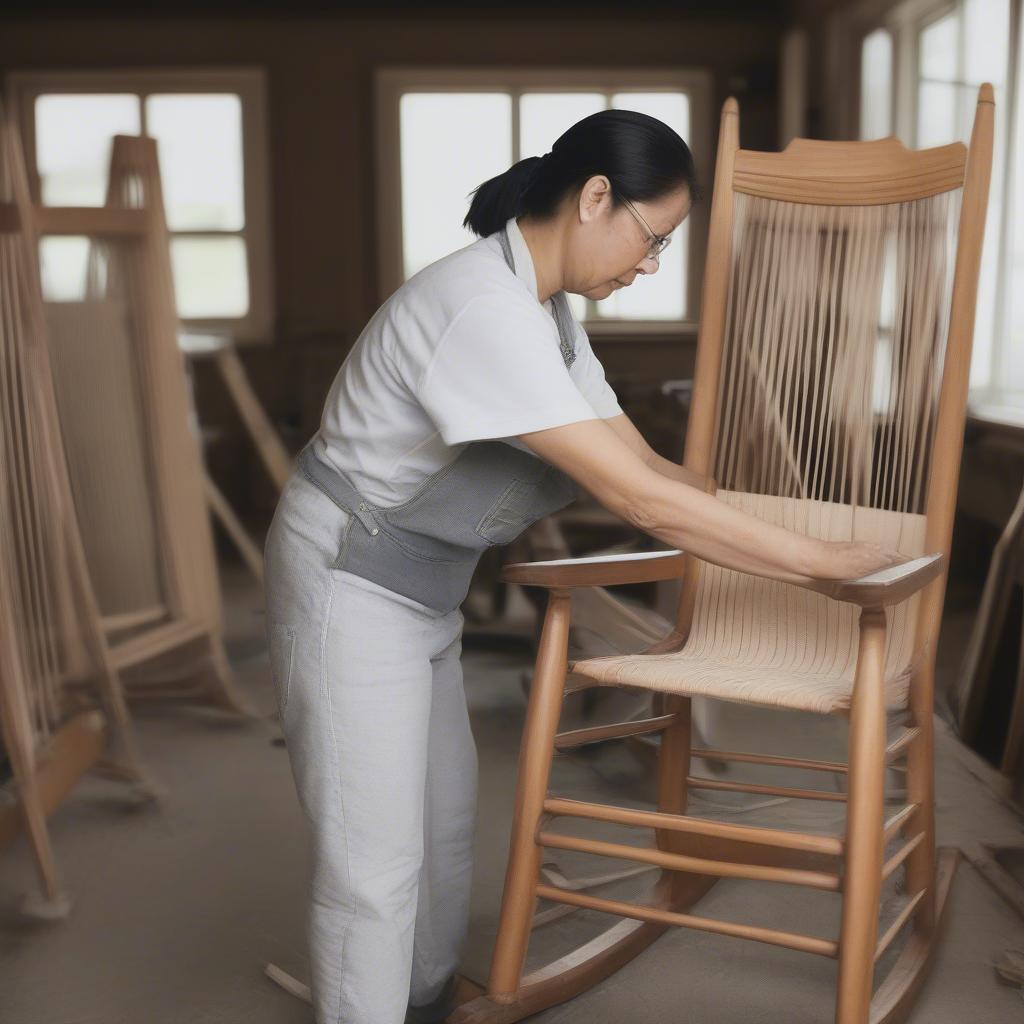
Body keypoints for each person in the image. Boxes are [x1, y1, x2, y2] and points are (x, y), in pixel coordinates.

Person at [263, 108, 905, 1024]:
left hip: (425, 590)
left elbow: (650, 469)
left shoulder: (549, 314)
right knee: (374, 859)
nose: (649, 265)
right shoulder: (481, 309)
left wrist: (761, 515)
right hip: (347, 580)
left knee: (444, 834)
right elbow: (639, 504)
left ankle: (422, 1003)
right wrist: (822, 563)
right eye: (651, 239)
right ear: (596, 197)